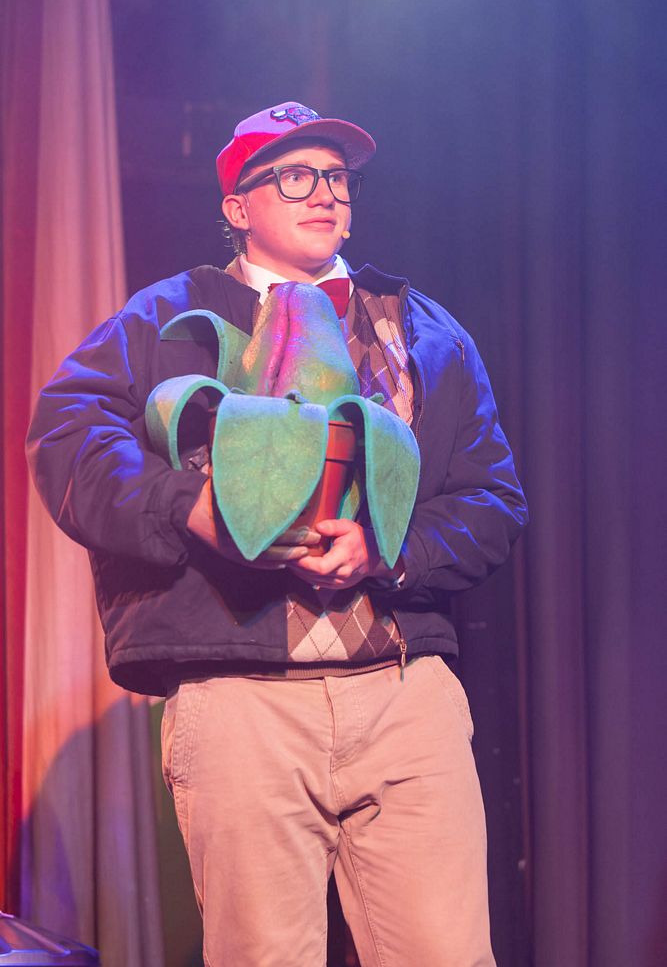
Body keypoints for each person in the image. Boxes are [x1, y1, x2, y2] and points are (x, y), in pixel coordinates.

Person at [27, 101, 528, 967]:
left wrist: (389, 552)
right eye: (295, 176)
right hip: (242, 695)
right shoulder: (167, 319)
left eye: (337, 177)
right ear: (237, 206)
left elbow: (492, 499)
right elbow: (68, 438)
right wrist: (189, 507)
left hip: (402, 693)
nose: (325, 194)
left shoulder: (421, 329)